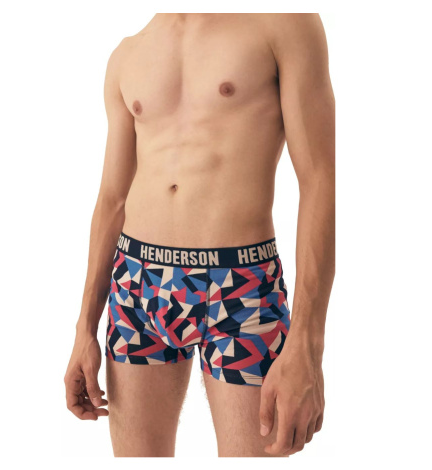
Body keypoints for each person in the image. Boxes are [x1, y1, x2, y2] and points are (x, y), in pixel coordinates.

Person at [64, 13, 335, 457]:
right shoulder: (128, 54)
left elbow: (319, 179)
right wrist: (84, 328)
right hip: (137, 287)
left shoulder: (283, 22)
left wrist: (308, 345)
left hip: (240, 289)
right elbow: (112, 199)